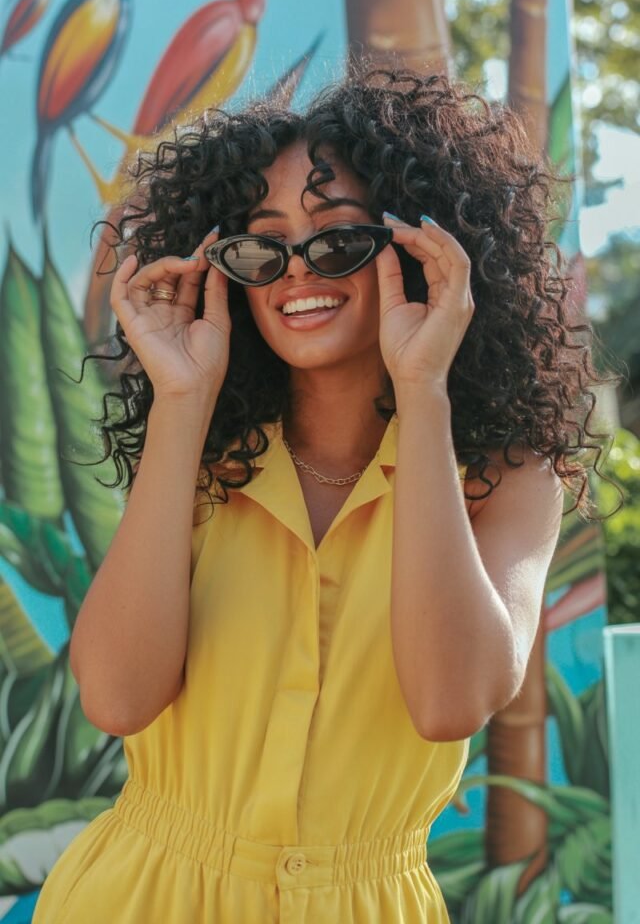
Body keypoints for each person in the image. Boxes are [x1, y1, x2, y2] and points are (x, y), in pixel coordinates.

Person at [33, 68, 615, 923]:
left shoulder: (510, 479)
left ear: (421, 251)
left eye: (339, 239)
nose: (297, 272)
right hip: (139, 899)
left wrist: (423, 388)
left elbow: (450, 702)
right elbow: (117, 700)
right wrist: (182, 403)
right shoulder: (202, 460)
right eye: (260, 247)